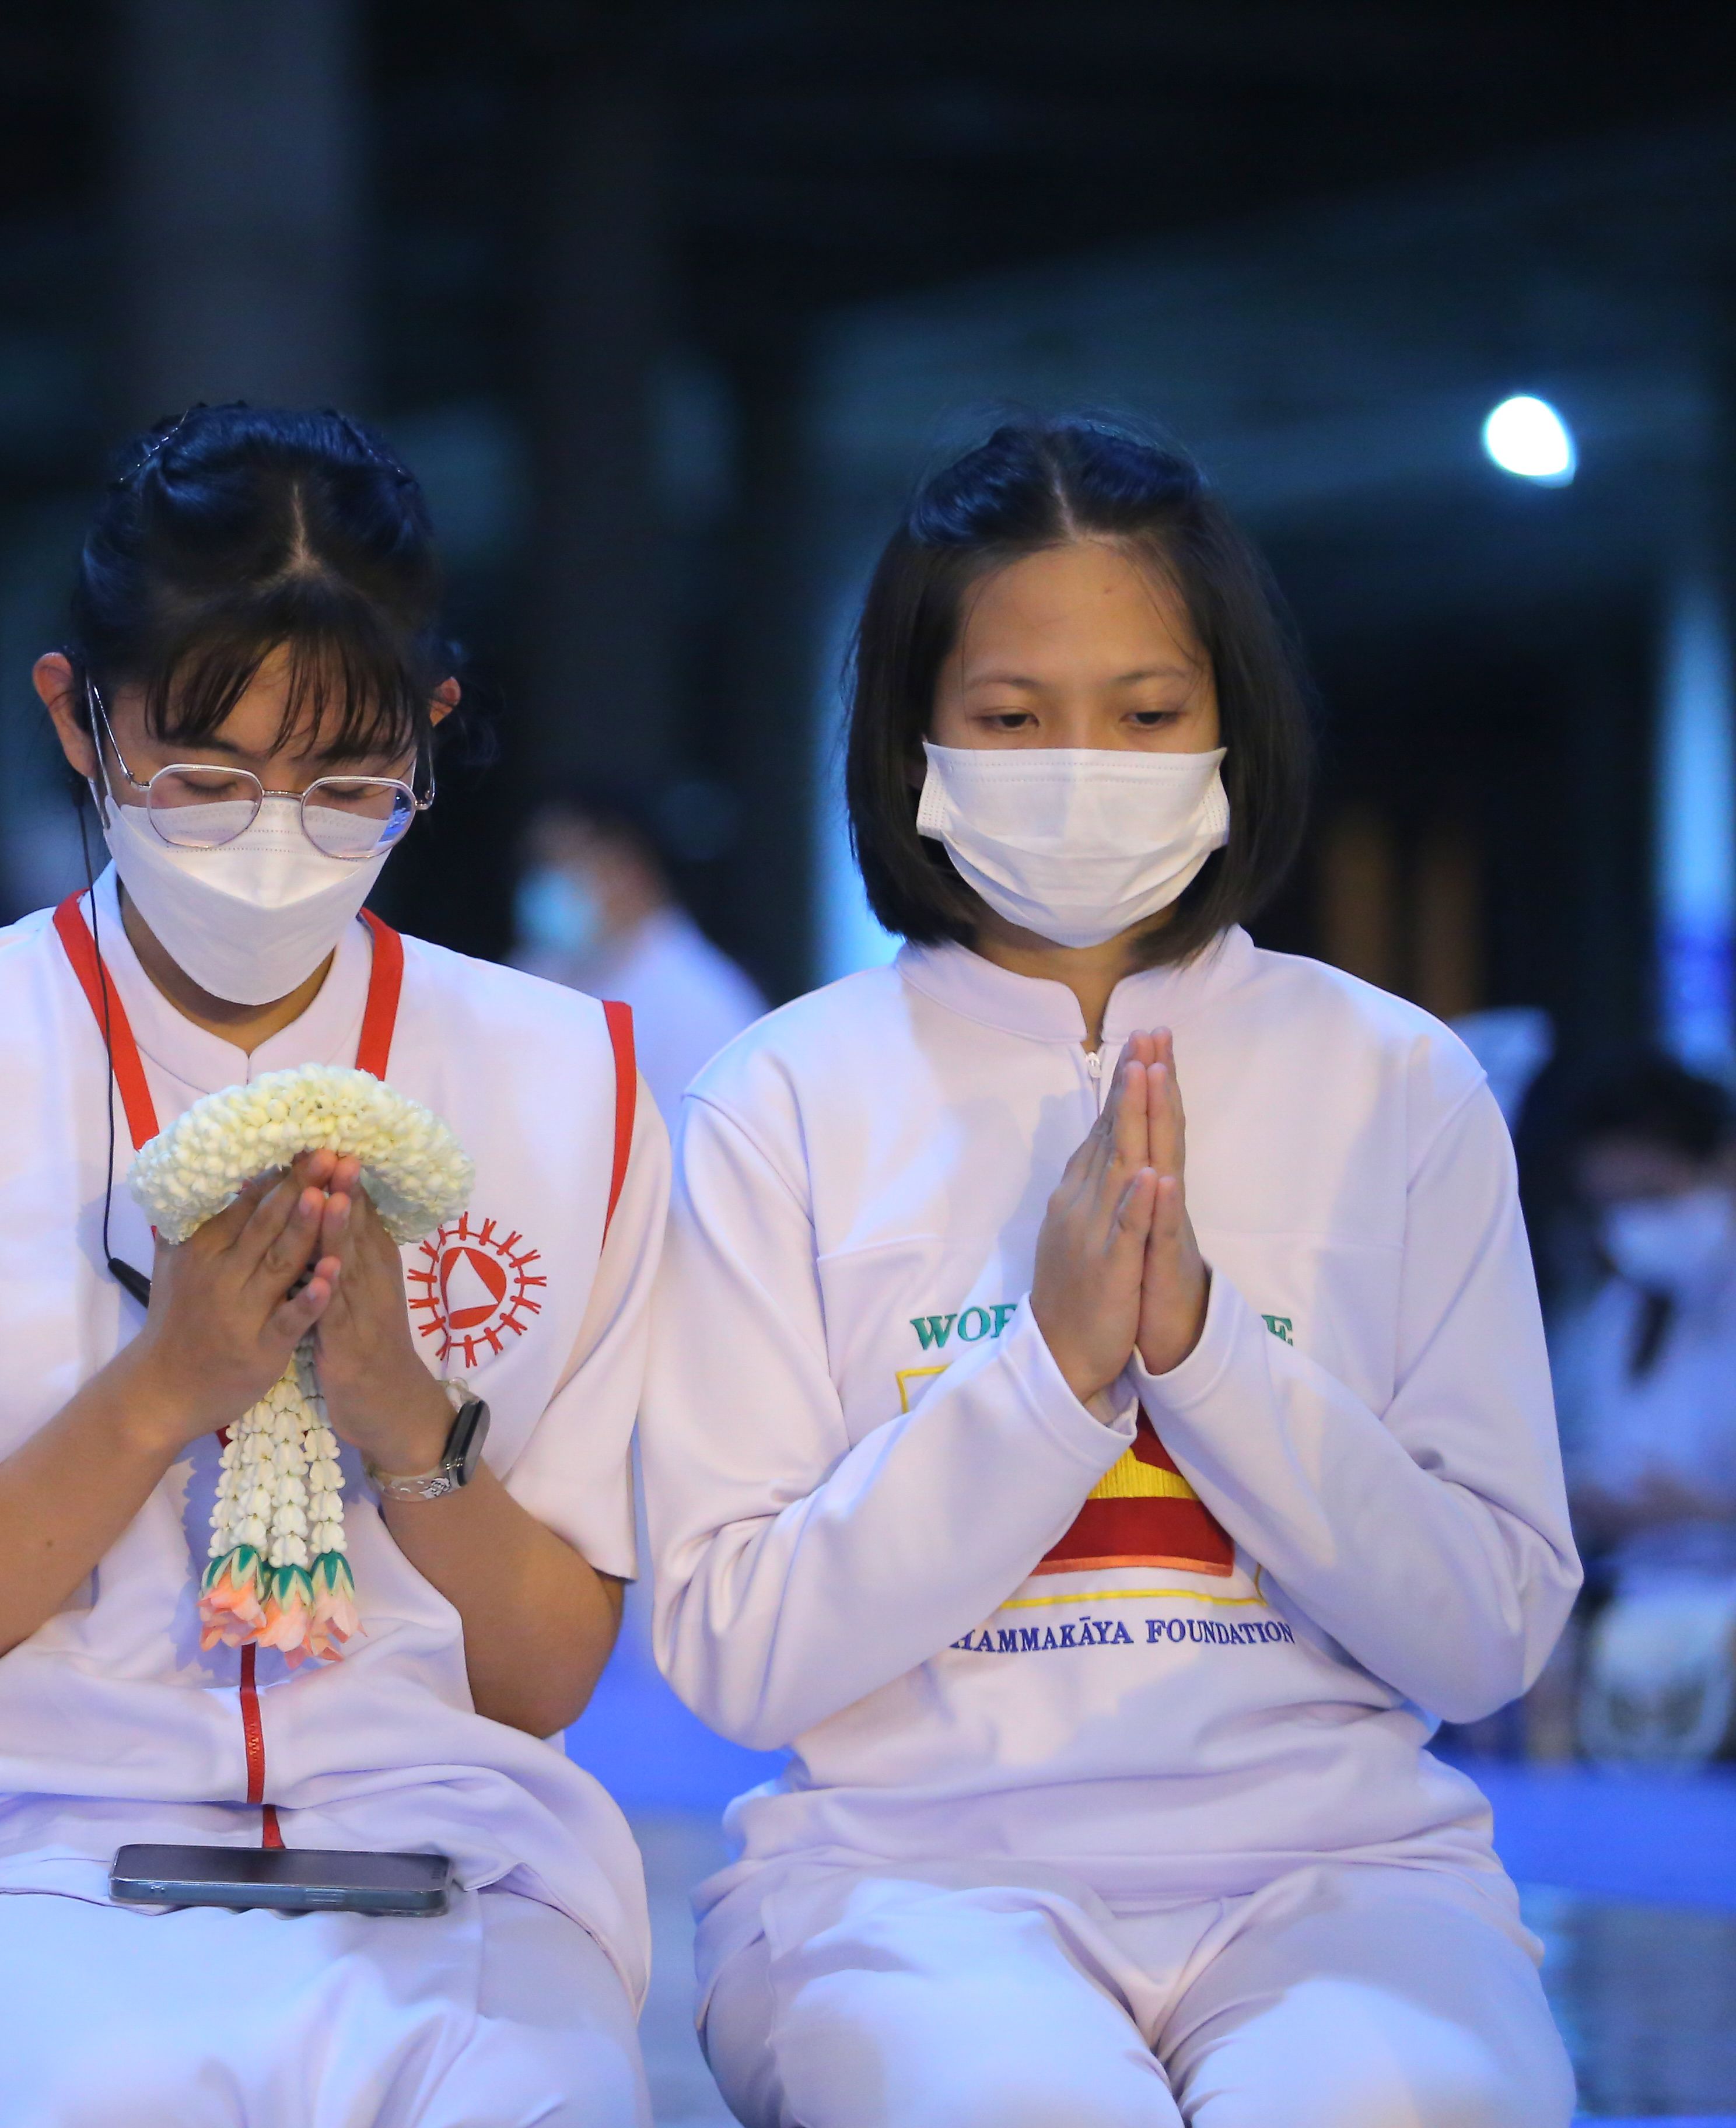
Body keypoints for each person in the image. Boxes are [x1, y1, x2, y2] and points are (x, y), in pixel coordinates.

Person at [641, 416, 1580, 2128]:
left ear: (1233, 726)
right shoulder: (783, 1097)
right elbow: (734, 1653)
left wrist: (1206, 1350)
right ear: (914, 738)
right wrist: (1048, 1374)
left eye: (1146, 715)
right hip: (907, 1884)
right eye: (1012, 718)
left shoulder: (1395, 1082)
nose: (1082, 765)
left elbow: (1488, 1631)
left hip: (1341, 1874)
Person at [0, 404, 665, 2125]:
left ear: (432, 729)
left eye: (346, 784)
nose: (271, 836)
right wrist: (165, 1388)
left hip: (442, 1867)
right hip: (0, 1866)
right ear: (74, 718)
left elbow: (543, 1678)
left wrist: (405, 1415)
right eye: (202, 776)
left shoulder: (566, 1083)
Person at [1552, 1056, 1736, 1760]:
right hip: (1632, 1607)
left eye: (1655, 1196)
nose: (1636, 1226)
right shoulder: (1614, 1315)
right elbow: (1580, 1451)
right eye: (1615, 1207)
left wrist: (1707, 1512)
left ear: (1721, 1166)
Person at [513, 789, 766, 1109]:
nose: (549, 886)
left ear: (629, 868)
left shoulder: (695, 1005)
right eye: (541, 865)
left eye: (566, 864)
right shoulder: (541, 969)